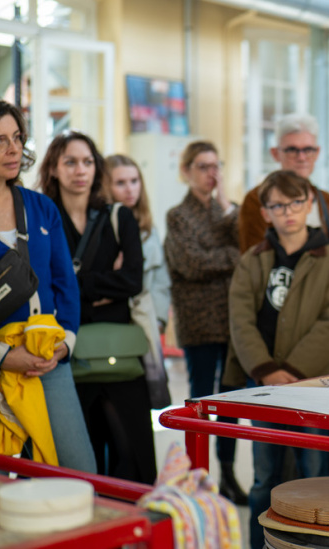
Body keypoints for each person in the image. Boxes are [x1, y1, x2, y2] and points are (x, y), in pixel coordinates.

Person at [223, 170, 329, 549]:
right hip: (263, 385)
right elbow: (240, 319)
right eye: (278, 205)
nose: (288, 212)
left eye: (295, 202)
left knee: (312, 473)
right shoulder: (253, 258)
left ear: (309, 202)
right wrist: (266, 371)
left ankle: (311, 544)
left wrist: (291, 372)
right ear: (265, 213)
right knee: (265, 474)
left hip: (310, 384)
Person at [0, 99, 96, 473]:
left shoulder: (41, 207)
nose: (13, 150)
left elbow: (65, 282)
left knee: (78, 471)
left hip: (47, 352)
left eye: (17, 137)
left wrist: (65, 343)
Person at [37, 130, 156, 484]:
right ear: (54, 168)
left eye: (88, 162)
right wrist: (101, 285)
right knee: (81, 460)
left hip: (120, 353)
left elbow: (133, 280)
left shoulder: (118, 217)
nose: (80, 170)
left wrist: (76, 284)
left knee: (132, 456)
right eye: (70, 162)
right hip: (65, 349)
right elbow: (41, 284)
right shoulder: (42, 218)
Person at [164, 140, 247, 503]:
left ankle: (227, 473)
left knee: (231, 402)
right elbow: (191, 264)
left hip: (233, 320)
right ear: (186, 171)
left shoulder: (231, 212)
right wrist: (231, 256)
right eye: (202, 166)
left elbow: (247, 248)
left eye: (216, 166)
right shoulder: (177, 216)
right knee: (201, 399)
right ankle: (199, 473)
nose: (211, 173)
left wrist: (228, 207)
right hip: (198, 321)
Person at [238, 113, 329, 337]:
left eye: (308, 149)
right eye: (292, 149)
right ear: (275, 153)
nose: (302, 157)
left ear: (318, 153)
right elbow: (256, 269)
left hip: (327, 322)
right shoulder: (256, 201)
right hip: (276, 320)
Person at [106, 155, 171, 331]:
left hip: (146, 316)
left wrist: (158, 318)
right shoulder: (100, 226)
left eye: (134, 181)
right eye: (120, 183)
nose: (130, 189)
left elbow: (160, 279)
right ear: (106, 186)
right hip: (111, 317)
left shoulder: (149, 228)